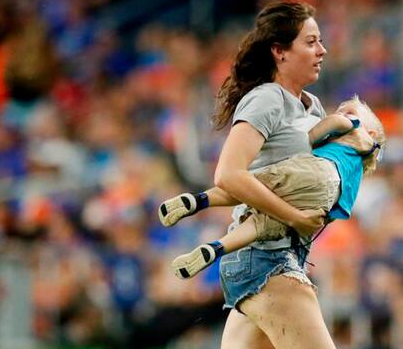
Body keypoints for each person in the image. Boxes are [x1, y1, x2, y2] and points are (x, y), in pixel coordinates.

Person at [117, 1, 354, 349]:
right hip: (264, 258)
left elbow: (300, 173)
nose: (322, 50)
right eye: (310, 41)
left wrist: (349, 131)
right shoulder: (266, 100)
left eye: (321, 40)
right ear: (279, 52)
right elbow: (229, 174)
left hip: (275, 256)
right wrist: (295, 218)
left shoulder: (309, 106)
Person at [159, 95, 385, 279]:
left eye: (350, 109)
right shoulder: (356, 172)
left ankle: (199, 201)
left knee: (252, 187)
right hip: (324, 200)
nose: (342, 111)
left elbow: (331, 124)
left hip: (316, 169)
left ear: (371, 132)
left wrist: (308, 138)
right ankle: (215, 249)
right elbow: (338, 209)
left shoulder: (352, 126)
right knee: (262, 225)